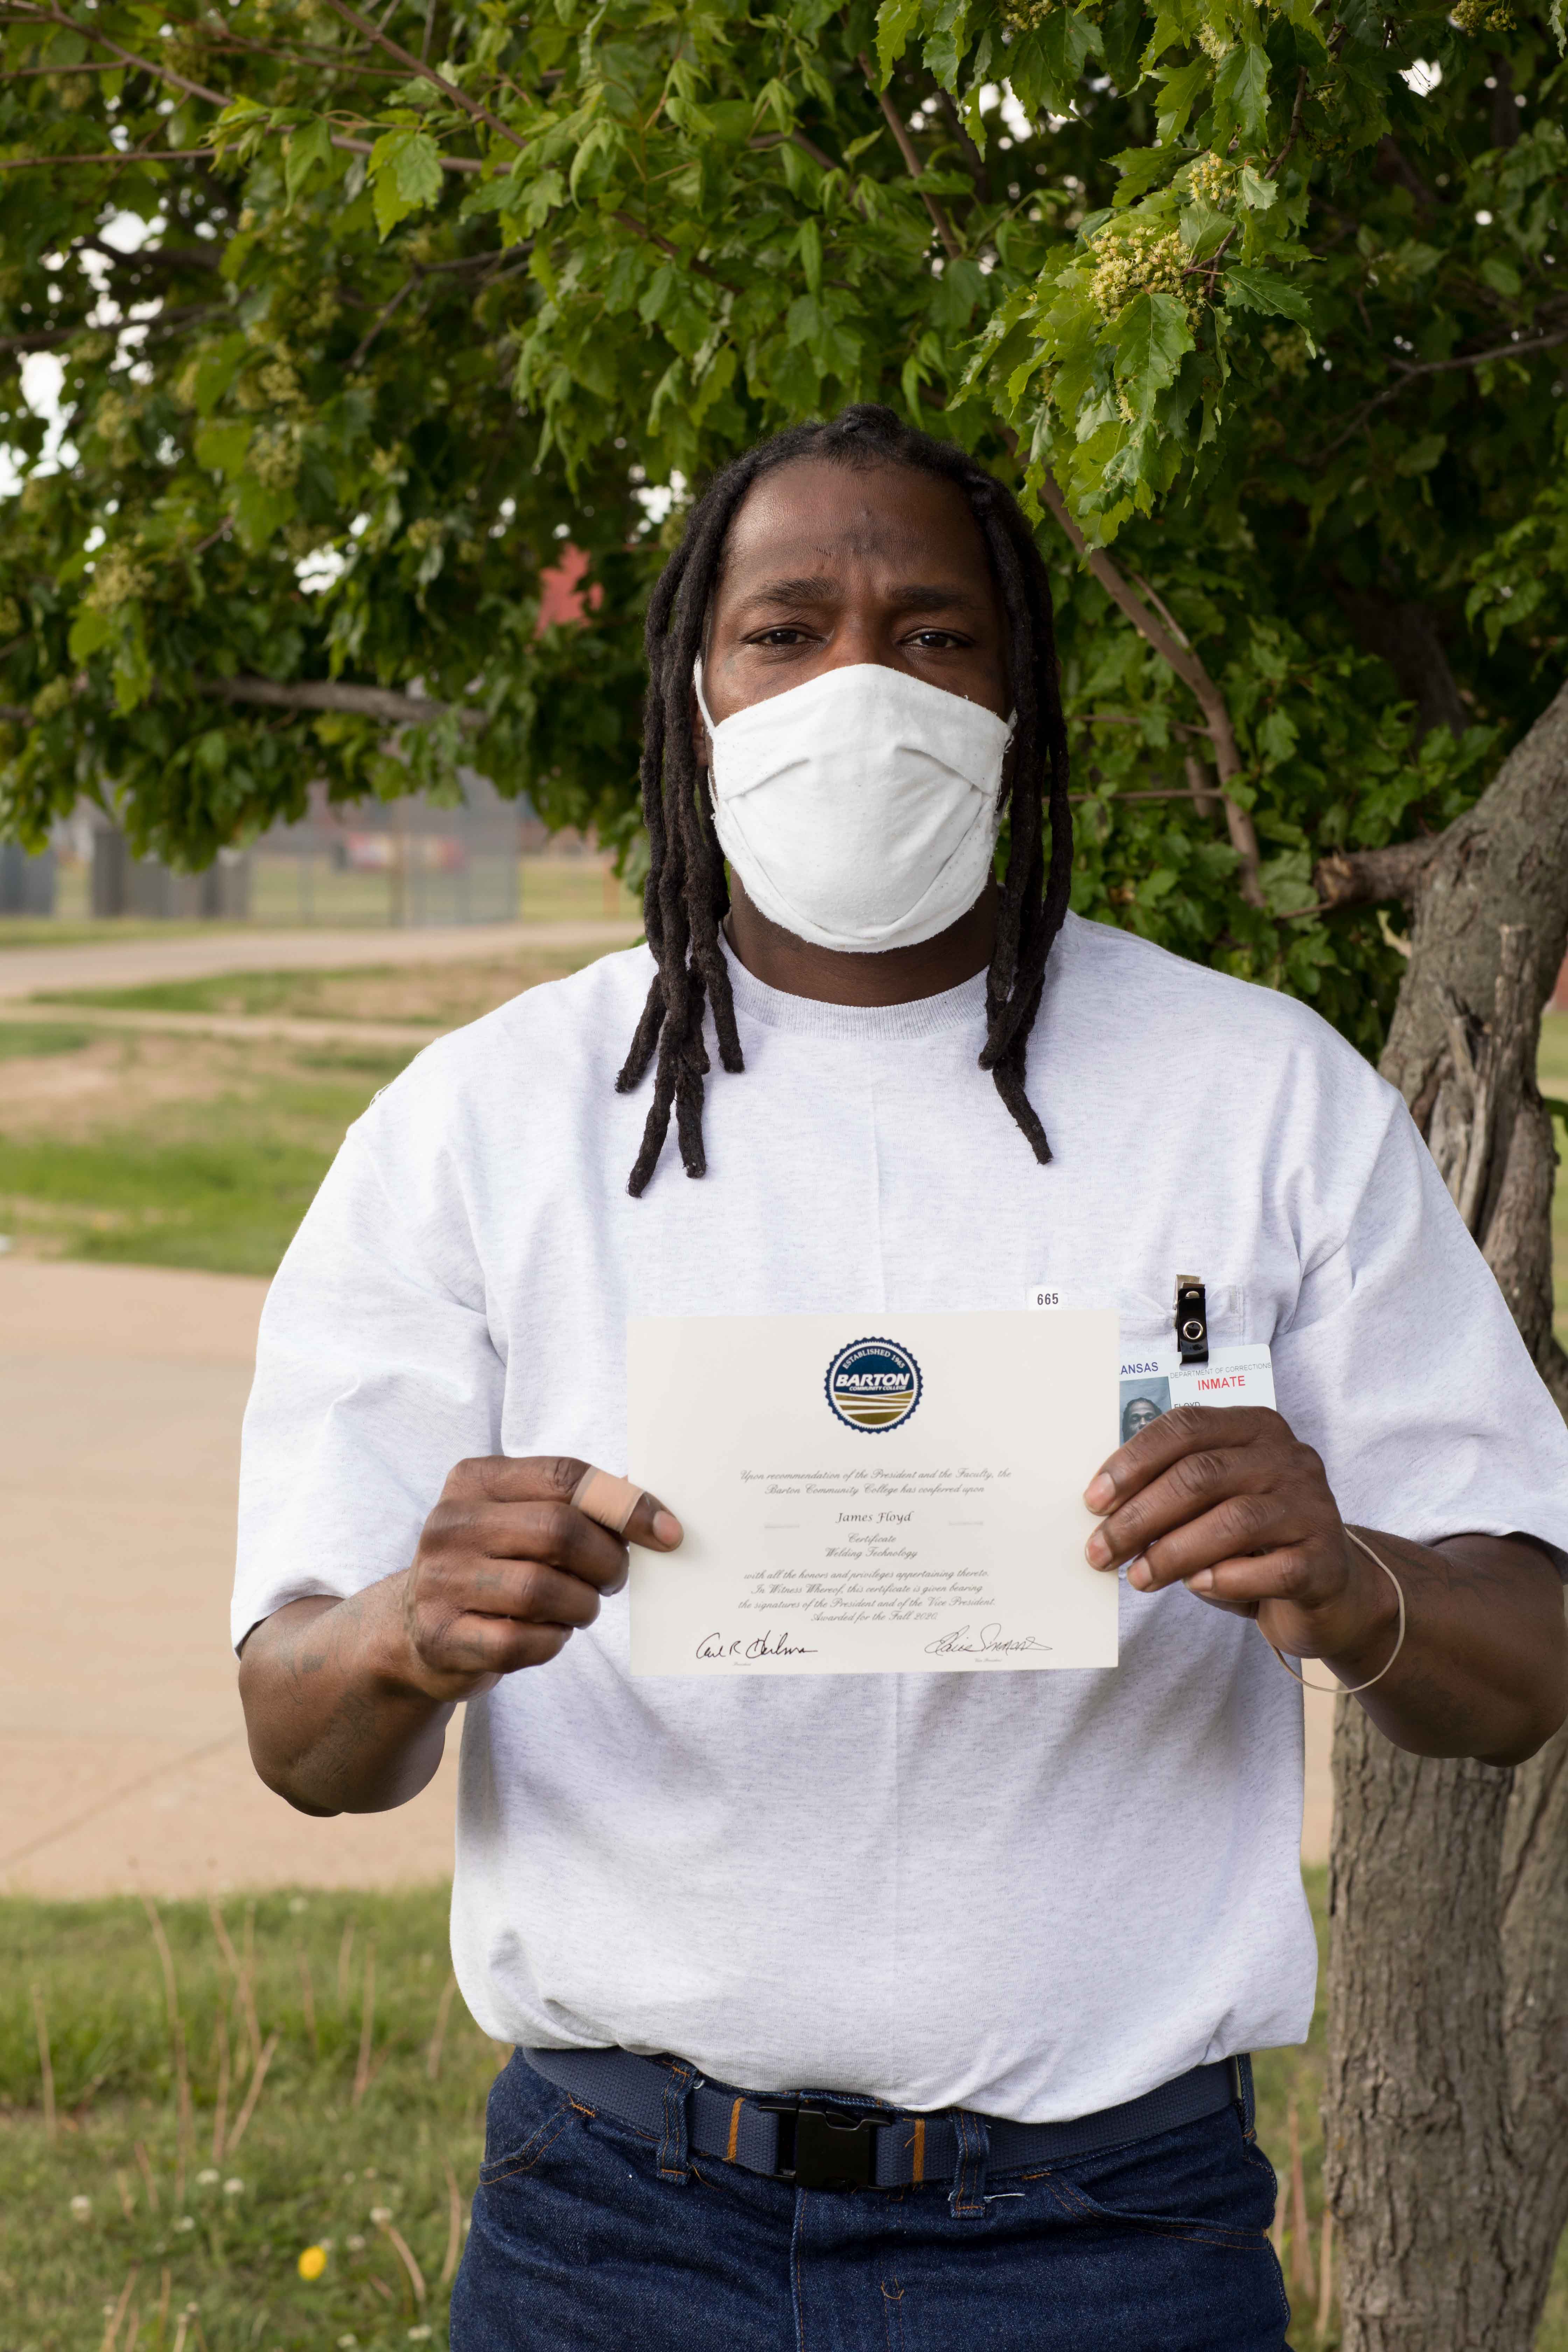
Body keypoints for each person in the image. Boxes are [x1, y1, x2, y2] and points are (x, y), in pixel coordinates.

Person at [233, 405, 1568, 2351]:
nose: (862, 683)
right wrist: (401, 1634)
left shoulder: (1261, 1096)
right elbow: (296, 1732)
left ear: (1017, 691)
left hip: (1106, 2234)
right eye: (789, 629)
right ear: (698, 687)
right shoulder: (485, 1129)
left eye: (934, 633)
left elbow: (1527, 1661)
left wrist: (1355, 1585)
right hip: (613, 2232)